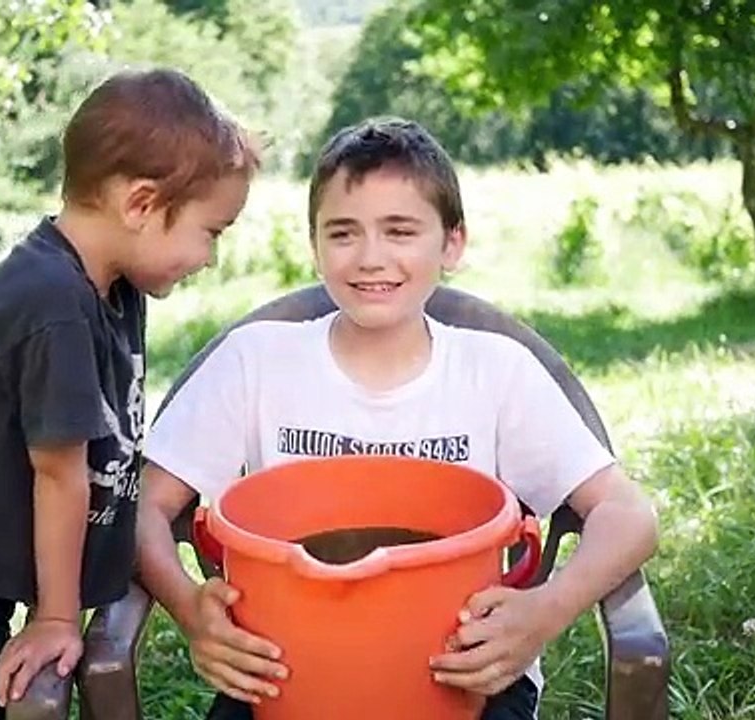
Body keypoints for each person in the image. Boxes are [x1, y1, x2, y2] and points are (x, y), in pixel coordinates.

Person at [134, 116, 658, 719]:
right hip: (285, 683)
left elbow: (628, 515)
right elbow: (146, 505)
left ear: (452, 244)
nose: (370, 257)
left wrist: (547, 609)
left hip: (466, 682)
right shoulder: (256, 362)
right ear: (314, 245)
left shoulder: (495, 372)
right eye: (343, 233)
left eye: (400, 230)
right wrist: (189, 607)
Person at [0, 67, 259, 720]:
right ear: (141, 204)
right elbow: (60, 476)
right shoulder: (52, 303)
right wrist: (58, 618)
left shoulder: (112, 290)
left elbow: (100, 468)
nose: (209, 258)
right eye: (212, 232)